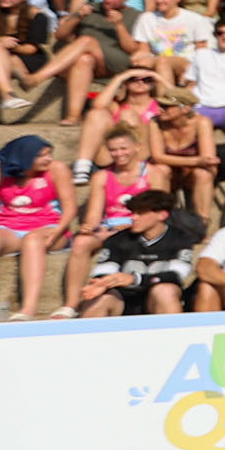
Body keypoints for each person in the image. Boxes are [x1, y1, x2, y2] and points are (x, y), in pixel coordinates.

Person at [0, 135, 75, 323]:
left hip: (49, 226)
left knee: (32, 240)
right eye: (41, 155)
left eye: (49, 153)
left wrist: (57, 231)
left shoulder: (57, 169)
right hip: (10, 227)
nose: (48, 159)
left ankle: (28, 308)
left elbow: (69, 206)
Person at [52, 128, 158, 316]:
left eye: (123, 148)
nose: (118, 154)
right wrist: (89, 228)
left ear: (137, 147)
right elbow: (94, 214)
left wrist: (131, 226)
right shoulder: (102, 176)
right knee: (81, 242)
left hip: (140, 227)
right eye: (113, 150)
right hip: (110, 228)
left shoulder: (153, 173)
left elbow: (160, 210)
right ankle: (71, 304)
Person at [71, 65, 177, 183]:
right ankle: (82, 167)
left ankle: (134, 170)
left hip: (144, 153)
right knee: (96, 114)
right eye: (133, 79)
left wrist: (158, 77)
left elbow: (181, 102)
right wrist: (120, 78)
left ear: (152, 83)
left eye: (146, 79)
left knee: (128, 115)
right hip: (113, 155)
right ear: (126, 82)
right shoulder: (116, 105)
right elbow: (97, 105)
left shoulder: (159, 106)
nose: (140, 82)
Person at [132, 0, 214, 82]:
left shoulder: (194, 19)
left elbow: (201, 49)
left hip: (186, 60)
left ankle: (167, 92)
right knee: (141, 63)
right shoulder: (146, 18)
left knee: (163, 62)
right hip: (156, 58)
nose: (159, 0)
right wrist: (138, 59)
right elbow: (143, 49)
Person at [149, 103, 219, 216]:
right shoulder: (155, 122)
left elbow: (208, 159)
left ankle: (202, 221)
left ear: (185, 108)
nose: (160, 109)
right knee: (160, 170)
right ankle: (160, 217)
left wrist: (199, 162)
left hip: (191, 174)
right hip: (171, 174)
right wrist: (196, 161)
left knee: (203, 174)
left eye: (166, 106)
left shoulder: (201, 122)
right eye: (160, 105)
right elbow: (157, 157)